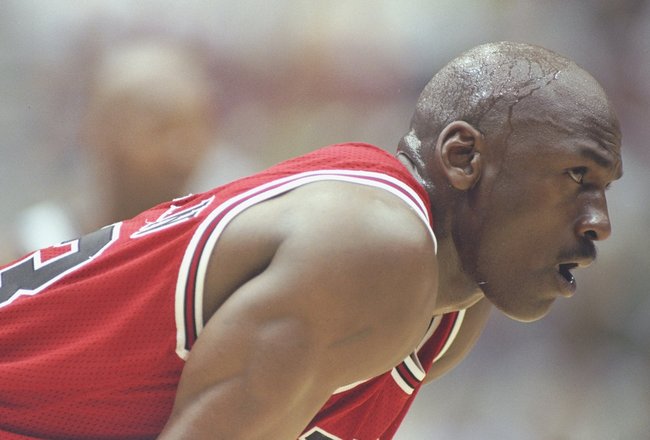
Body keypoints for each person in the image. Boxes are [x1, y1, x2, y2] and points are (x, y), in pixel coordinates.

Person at [0, 41, 622, 439]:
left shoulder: (450, 306)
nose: (599, 220)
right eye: (576, 177)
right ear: (463, 157)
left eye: (606, 189)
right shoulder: (372, 250)